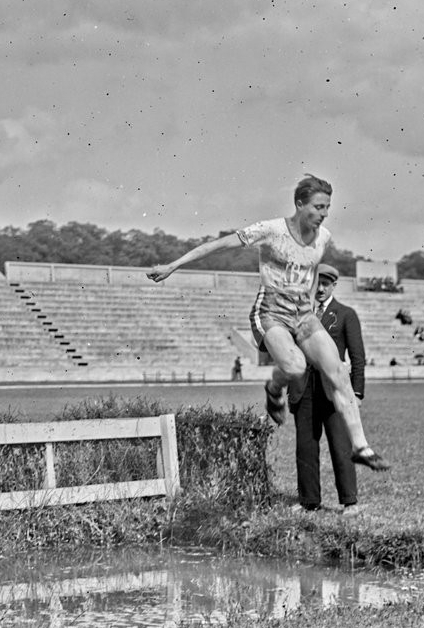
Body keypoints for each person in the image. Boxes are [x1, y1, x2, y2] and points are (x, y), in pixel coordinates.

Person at [147, 174, 388, 471]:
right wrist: (174, 265)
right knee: (296, 367)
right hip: (271, 311)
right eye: (318, 207)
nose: (324, 214)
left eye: (328, 207)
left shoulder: (323, 237)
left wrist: (309, 302)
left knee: (338, 369)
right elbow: (219, 245)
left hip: (304, 314)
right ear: (299, 204)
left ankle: (361, 447)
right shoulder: (271, 230)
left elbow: (310, 272)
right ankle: (274, 389)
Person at [287, 264, 366, 512]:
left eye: (325, 284)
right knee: (305, 446)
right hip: (304, 389)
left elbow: (357, 357)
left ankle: (349, 501)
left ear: (334, 286)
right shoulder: (298, 315)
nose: (320, 289)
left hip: (334, 390)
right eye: (316, 284)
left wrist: (356, 393)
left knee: (340, 446)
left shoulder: (345, 314)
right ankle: (309, 501)